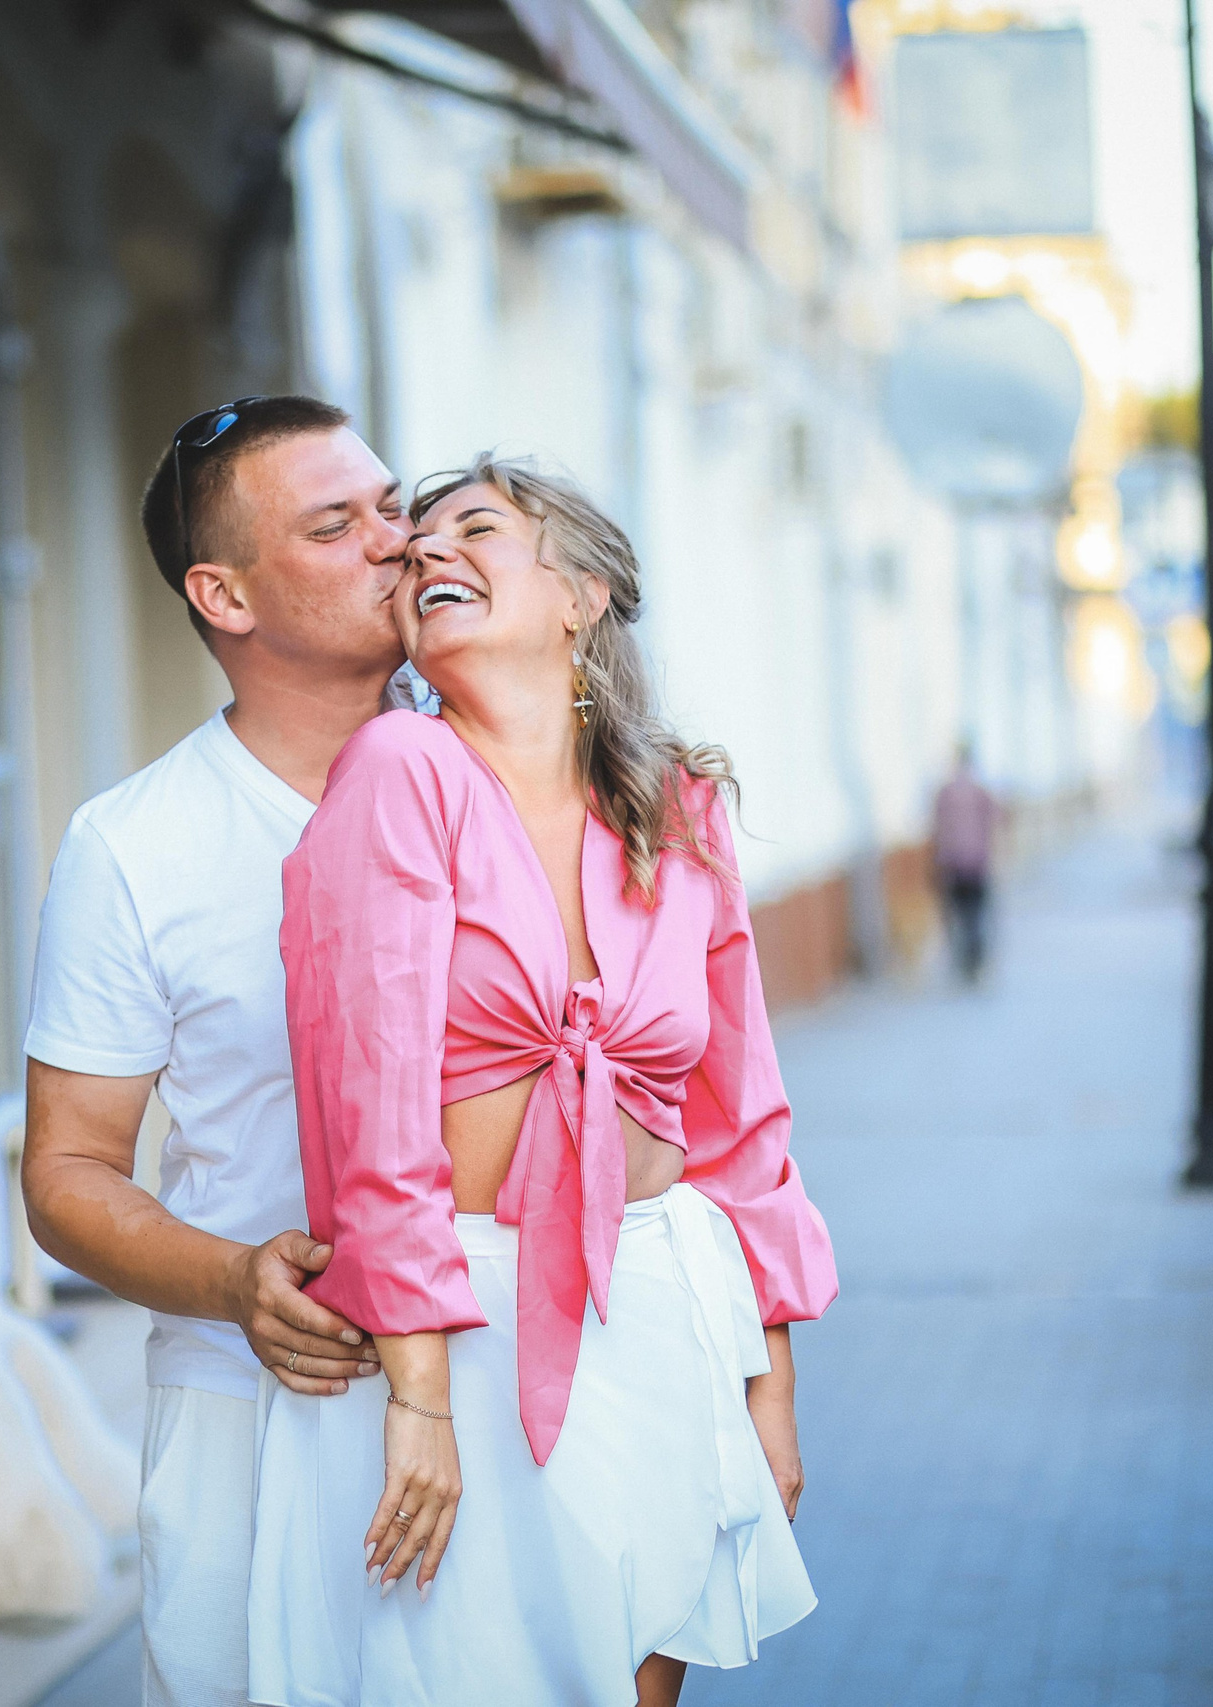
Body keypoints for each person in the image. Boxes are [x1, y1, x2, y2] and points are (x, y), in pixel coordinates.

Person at [248, 457, 834, 1707]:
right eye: (415, 550)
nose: (426, 555)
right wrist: (420, 1398)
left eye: (476, 530)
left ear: (582, 594)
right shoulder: (400, 771)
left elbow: (743, 1123)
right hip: (466, 1317)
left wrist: (767, 1388)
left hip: (665, 1303)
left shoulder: (677, 810)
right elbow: (370, 1105)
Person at [20, 395, 413, 1707]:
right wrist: (237, 1280)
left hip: (500, 1379)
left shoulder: (516, 781)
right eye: (336, 523)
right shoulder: (133, 844)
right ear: (224, 594)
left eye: (392, 504)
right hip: (251, 1411)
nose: (395, 542)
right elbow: (69, 1171)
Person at [932, 744, 1001, 982]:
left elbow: (937, 828)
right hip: (977, 862)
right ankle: (975, 962)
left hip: (952, 863)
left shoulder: (945, 792)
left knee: (957, 916)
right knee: (976, 915)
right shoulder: (980, 791)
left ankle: (961, 963)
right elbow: (994, 823)